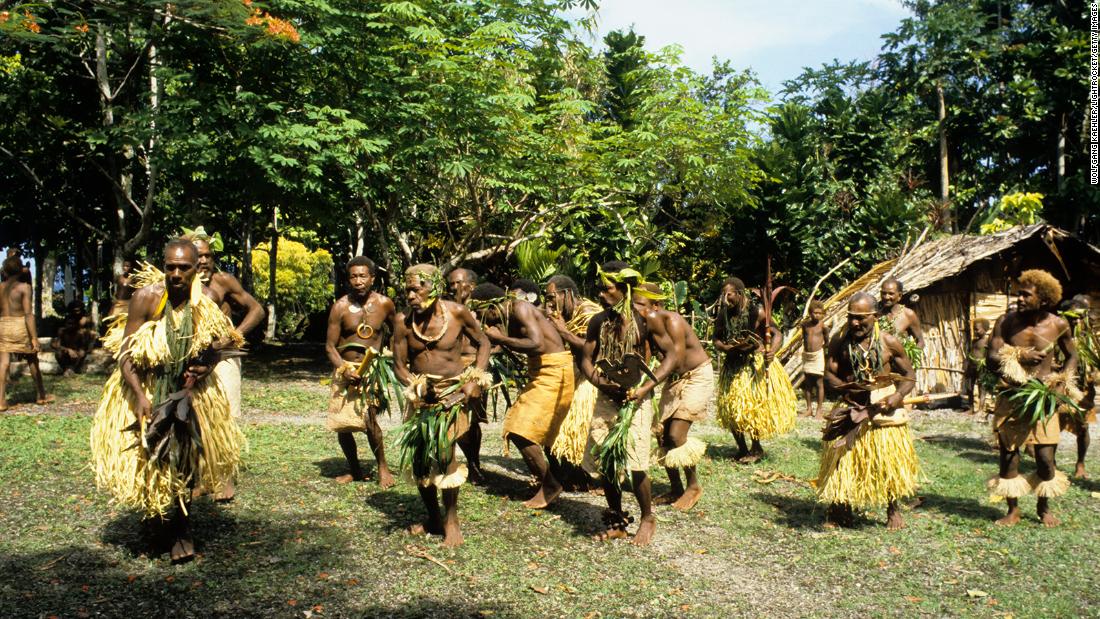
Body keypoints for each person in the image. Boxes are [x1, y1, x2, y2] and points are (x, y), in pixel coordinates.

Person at [90, 239, 244, 562]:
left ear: (195, 269)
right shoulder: (146, 299)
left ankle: (183, 528)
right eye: (170, 267)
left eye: (183, 268)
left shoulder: (204, 303)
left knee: (185, 458)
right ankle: (155, 519)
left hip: (186, 391)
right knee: (151, 457)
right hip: (147, 385)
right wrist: (139, 395)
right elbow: (126, 354)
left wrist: (208, 365)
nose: (176, 273)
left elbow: (216, 347)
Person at [393, 264, 491, 547]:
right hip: (422, 396)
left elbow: (483, 343)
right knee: (422, 457)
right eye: (408, 289)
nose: (411, 296)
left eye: (417, 289)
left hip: (453, 394)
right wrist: (417, 386)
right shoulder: (403, 322)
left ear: (434, 287)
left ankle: (451, 521)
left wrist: (475, 378)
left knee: (445, 452)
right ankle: (433, 517)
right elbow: (399, 366)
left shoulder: (457, 313)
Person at [816, 292, 920, 530]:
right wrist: (845, 388)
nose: (854, 323)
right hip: (852, 406)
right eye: (851, 317)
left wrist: (896, 396)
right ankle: (839, 509)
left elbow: (909, 377)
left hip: (881, 408)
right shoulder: (840, 341)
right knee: (841, 460)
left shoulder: (888, 342)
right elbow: (828, 373)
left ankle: (893, 510)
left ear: (874, 316)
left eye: (861, 318)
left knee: (889, 461)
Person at [470, 282, 574, 508]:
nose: (483, 320)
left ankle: (550, 484)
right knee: (532, 429)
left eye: (481, 314)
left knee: (519, 429)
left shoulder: (520, 308)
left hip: (554, 371)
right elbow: (494, 344)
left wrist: (501, 339)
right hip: (542, 371)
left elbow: (536, 344)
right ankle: (555, 479)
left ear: (491, 306)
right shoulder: (507, 315)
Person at [986, 269, 1076, 527]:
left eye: (1026, 295)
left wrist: (1062, 384)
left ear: (1044, 299)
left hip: (1043, 398)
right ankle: (1012, 510)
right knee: (1009, 457)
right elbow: (991, 358)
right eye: (1019, 294)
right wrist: (1017, 356)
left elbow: (1073, 356)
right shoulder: (1006, 321)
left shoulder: (1058, 325)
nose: (1020, 299)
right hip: (1012, 395)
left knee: (1046, 460)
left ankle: (1043, 506)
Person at [183, 229, 265, 501]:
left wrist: (233, 336)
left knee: (225, 416)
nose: (204, 261)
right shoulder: (179, 285)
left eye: (208, 255)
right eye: (198, 256)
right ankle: (200, 477)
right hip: (193, 358)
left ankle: (224, 478)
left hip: (223, 358)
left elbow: (257, 309)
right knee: (194, 416)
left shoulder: (224, 282)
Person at [580, 261, 657, 546]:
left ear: (623, 288)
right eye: (599, 289)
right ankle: (617, 520)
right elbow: (586, 359)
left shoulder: (645, 319)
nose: (601, 295)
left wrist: (644, 388)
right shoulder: (599, 322)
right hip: (606, 397)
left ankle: (648, 517)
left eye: (606, 289)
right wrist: (600, 383)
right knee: (608, 462)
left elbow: (671, 356)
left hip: (636, 397)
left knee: (636, 463)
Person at [633, 283, 713, 511]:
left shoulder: (673, 321)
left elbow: (675, 359)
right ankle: (676, 487)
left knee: (677, 434)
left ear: (655, 305)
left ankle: (693, 486)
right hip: (674, 379)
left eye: (640, 304)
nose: (635, 308)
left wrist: (648, 386)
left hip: (697, 375)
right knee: (662, 435)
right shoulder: (644, 325)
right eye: (633, 304)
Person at [324, 256, 399, 487]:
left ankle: (383, 467)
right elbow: (330, 347)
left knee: (369, 420)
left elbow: (399, 333)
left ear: (373, 278)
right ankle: (354, 469)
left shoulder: (385, 304)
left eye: (363, 276)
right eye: (353, 276)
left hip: (372, 371)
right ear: (349, 279)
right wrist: (344, 369)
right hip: (345, 370)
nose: (358, 281)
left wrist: (389, 356)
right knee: (343, 425)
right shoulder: (340, 307)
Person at [713, 277, 796, 463]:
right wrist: (725, 348)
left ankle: (756, 448)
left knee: (752, 407)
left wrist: (772, 351)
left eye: (729, 295)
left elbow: (776, 333)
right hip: (733, 365)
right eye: (723, 295)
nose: (726, 299)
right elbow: (716, 339)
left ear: (740, 294)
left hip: (753, 365)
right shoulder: (723, 314)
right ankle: (742, 448)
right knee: (732, 408)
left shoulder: (757, 312)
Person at [545, 275, 603, 491]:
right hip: (576, 375)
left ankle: (595, 478)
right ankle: (577, 474)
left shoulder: (589, 312)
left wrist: (563, 332)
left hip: (594, 379)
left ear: (566, 293)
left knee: (583, 428)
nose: (549, 301)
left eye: (552, 296)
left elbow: (594, 348)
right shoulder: (566, 314)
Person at [445, 267, 488, 483]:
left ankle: (474, 462)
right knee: (457, 417)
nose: (454, 287)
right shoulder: (448, 309)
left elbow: (488, 340)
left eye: (458, 283)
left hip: (475, 367)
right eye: (451, 283)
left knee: (474, 421)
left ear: (471, 285)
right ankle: (468, 462)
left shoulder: (483, 308)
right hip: (455, 368)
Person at [0, 256, 49, 410]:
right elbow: (28, 314)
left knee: (4, 363)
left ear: (5, 271)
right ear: (20, 270)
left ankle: (1, 400)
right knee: (32, 359)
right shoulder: (24, 288)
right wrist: (34, 338)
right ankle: (41, 395)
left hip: (3, 325)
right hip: (20, 326)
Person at [1058, 296, 1097, 479]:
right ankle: (1052, 463)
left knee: (1083, 428)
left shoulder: (1088, 340)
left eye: (1080, 316)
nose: (1076, 320)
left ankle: (1080, 463)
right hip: (1059, 389)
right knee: (1052, 427)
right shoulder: (1055, 337)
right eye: (1072, 316)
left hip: (1083, 390)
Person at [879, 277, 924, 368]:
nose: (886, 297)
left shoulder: (908, 315)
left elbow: (920, 342)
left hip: (900, 369)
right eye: (884, 293)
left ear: (899, 296)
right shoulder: (875, 314)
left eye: (891, 294)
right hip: (880, 367)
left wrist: (907, 360)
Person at [51, 302, 96, 375]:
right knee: (59, 353)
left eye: (78, 310)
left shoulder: (84, 324)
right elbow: (54, 344)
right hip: (67, 348)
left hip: (80, 346)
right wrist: (68, 350)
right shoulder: (62, 330)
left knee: (82, 352)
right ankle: (67, 369)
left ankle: (72, 369)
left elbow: (85, 346)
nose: (77, 313)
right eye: (75, 311)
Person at [801, 300, 828, 418]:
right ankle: (808, 409)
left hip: (817, 355)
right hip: (807, 355)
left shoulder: (823, 326)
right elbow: (804, 337)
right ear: (810, 313)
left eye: (819, 313)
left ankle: (819, 410)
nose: (817, 315)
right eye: (814, 313)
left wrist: (823, 349)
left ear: (823, 314)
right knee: (807, 383)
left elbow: (827, 340)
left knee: (818, 383)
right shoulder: (805, 325)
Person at [963, 318, 994, 413]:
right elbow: (970, 354)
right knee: (969, 387)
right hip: (971, 367)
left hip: (981, 368)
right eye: (974, 329)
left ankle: (980, 409)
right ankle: (971, 408)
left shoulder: (987, 342)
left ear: (985, 329)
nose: (975, 331)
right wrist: (966, 364)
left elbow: (989, 355)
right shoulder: (973, 341)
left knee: (982, 388)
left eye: (977, 329)